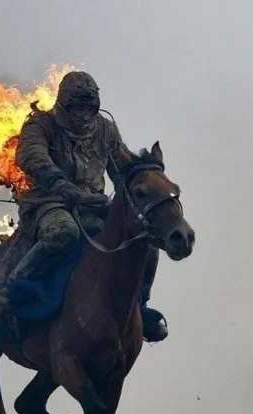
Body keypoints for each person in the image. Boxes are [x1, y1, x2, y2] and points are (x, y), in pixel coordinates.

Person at [10, 71, 168, 342]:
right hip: (47, 202)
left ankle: (139, 304)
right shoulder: (41, 125)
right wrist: (65, 187)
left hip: (94, 205)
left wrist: (144, 174)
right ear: (63, 105)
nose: (83, 114)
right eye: (77, 107)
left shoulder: (105, 129)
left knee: (145, 237)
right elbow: (33, 158)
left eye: (88, 107)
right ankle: (18, 284)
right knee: (63, 233)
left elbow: (121, 168)